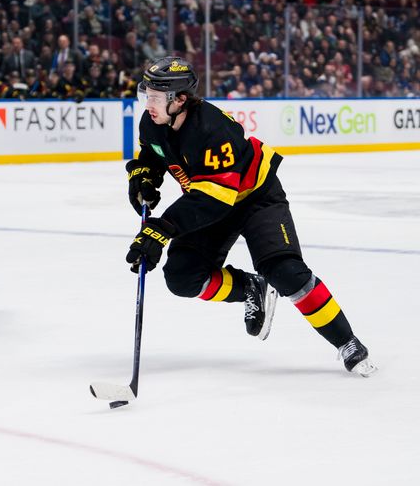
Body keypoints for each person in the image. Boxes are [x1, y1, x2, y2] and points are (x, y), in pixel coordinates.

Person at [125, 56, 375, 376]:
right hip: (211, 199)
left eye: (156, 98)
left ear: (181, 100)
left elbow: (214, 200)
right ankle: (250, 288)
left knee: (285, 271)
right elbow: (153, 154)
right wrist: (143, 177)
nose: (148, 104)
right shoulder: (153, 122)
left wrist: (160, 229)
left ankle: (347, 342)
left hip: (256, 198)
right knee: (183, 276)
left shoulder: (211, 129)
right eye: (145, 95)